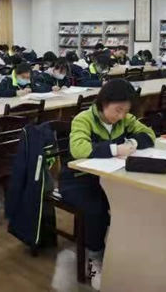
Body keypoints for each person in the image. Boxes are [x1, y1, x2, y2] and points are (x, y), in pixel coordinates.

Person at [59, 79, 156, 290]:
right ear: (103, 102)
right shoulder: (84, 119)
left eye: (125, 111)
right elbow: (79, 149)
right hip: (78, 179)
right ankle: (95, 258)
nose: (121, 116)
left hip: (108, 177)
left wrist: (133, 142)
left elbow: (149, 134)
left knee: (131, 202)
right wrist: (116, 149)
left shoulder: (125, 119)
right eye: (118, 110)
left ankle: (121, 251)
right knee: (97, 209)